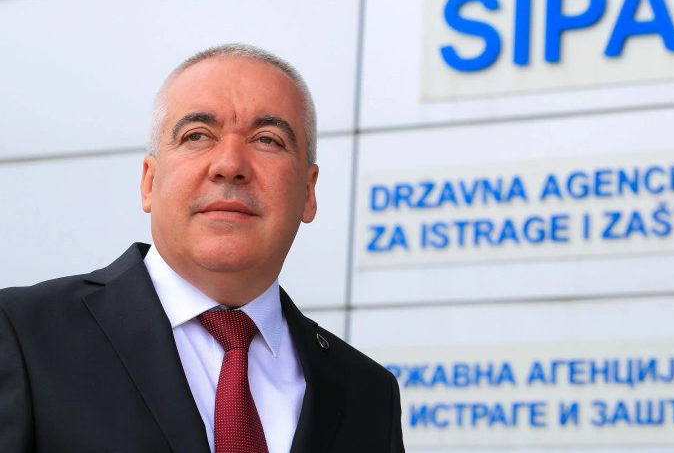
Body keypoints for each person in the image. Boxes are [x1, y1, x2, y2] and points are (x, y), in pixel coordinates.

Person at [0, 44, 405, 453]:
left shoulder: (370, 394)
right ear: (149, 182)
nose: (230, 165)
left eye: (267, 140)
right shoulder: (21, 334)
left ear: (308, 192)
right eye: (197, 135)